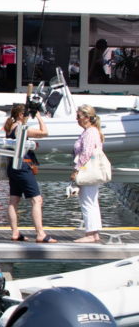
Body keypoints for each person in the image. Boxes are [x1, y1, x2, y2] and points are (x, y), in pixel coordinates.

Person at [3, 104, 56, 243]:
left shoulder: (10, 128)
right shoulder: (21, 128)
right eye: (27, 115)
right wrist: (39, 117)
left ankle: (15, 232)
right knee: (36, 200)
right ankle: (40, 234)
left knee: (14, 200)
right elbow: (44, 132)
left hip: (13, 167)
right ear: (21, 115)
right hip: (23, 166)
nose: (28, 118)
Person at [71, 104, 105, 243]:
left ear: (86, 117)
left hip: (87, 171)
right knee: (91, 201)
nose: (77, 119)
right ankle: (94, 232)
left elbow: (86, 153)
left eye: (79, 116)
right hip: (89, 170)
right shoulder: (91, 131)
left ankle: (91, 233)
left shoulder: (90, 132)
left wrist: (77, 170)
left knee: (87, 202)